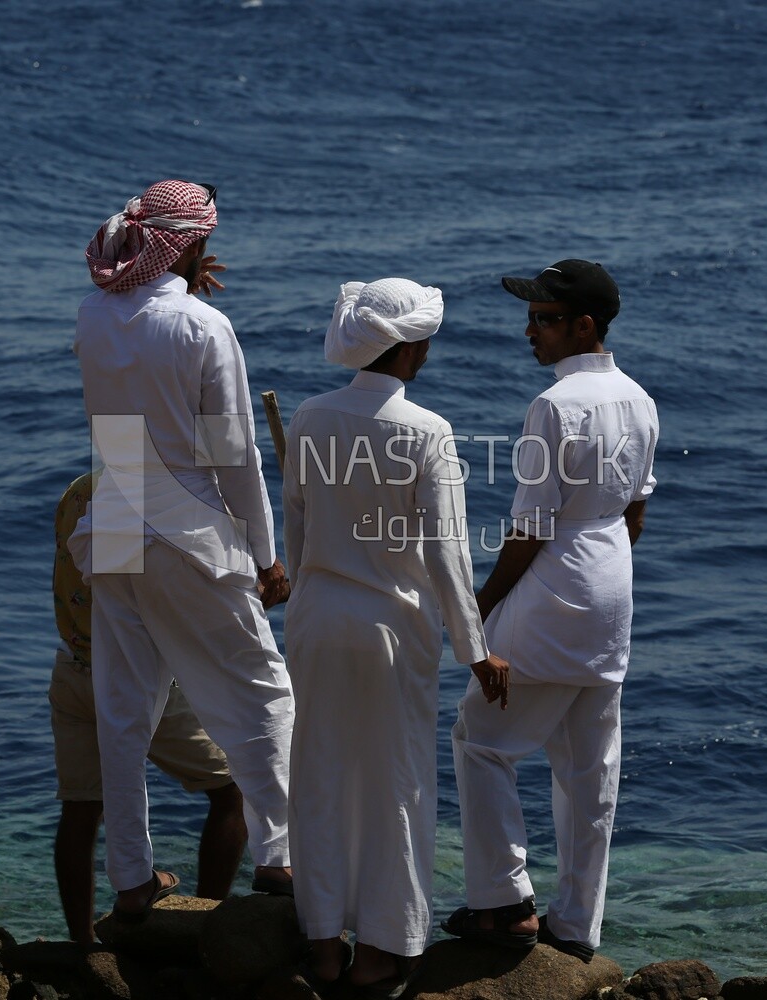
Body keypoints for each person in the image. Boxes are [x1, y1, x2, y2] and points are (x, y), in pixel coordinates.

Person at [65, 179, 296, 922]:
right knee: (266, 694)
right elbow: (233, 456)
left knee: (124, 713)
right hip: (190, 532)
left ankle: (131, 879)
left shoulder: (94, 315)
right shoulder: (204, 325)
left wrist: (183, 280)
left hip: (116, 524)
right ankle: (282, 860)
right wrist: (265, 553)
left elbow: (129, 426)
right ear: (194, 244)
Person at [282, 278, 511, 997]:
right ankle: (383, 949)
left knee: (317, 779)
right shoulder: (426, 431)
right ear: (410, 347)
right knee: (397, 785)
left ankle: (322, 945)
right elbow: (447, 553)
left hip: (317, 619)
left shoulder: (310, 419)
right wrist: (475, 649)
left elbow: (297, 527)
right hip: (390, 631)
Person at [444, 259, 658, 963]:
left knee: (479, 740)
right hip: (612, 594)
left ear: (583, 326)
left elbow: (531, 529)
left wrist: (477, 609)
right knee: (589, 769)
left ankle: (504, 902)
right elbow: (635, 514)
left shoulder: (553, 406)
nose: (528, 330)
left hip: (555, 590)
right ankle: (577, 927)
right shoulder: (641, 398)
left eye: (542, 318)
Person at [50, 473, 247, 946]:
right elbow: (132, 603)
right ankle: (205, 922)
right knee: (232, 790)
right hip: (128, 676)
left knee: (82, 810)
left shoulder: (78, 491)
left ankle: (83, 944)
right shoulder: (140, 499)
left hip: (73, 670)